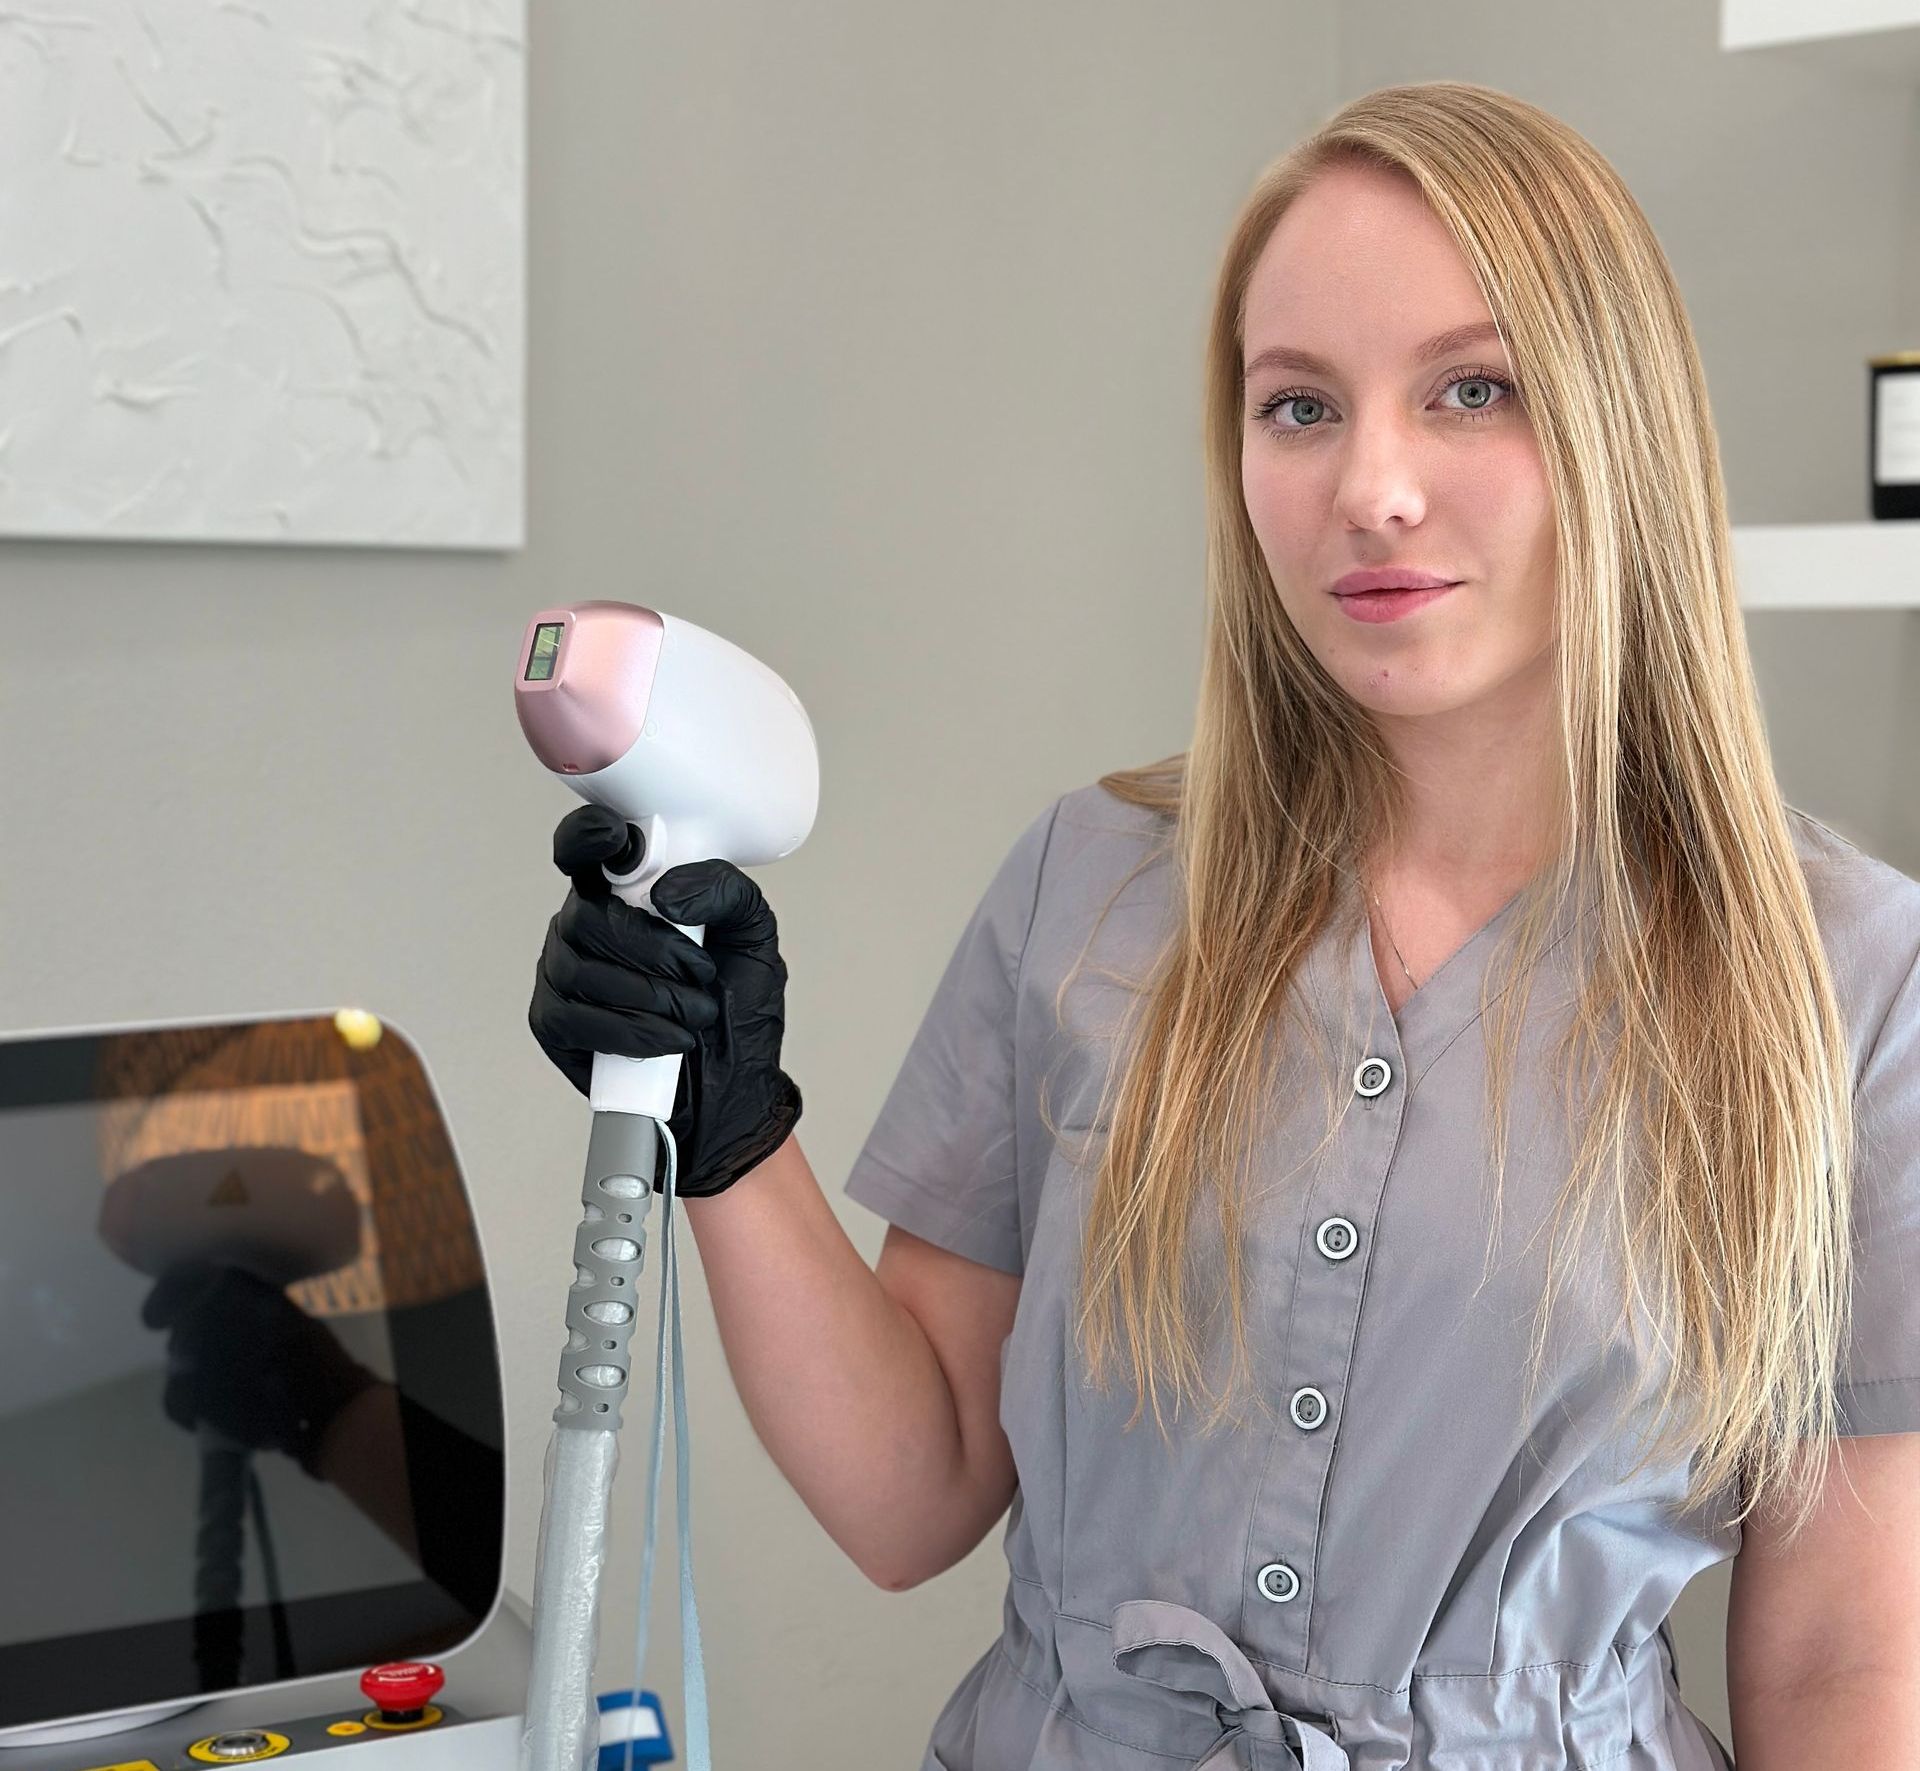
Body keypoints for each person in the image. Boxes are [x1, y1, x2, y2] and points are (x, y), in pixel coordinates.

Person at [526, 79, 1920, 1771]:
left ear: (1619, 426)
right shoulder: (1090, 883)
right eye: (1299, 408)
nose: (1372, 488)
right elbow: (912, 1493)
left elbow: (1850, 1661)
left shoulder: (1849, 981)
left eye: (1473, 390)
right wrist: (728, 1128)